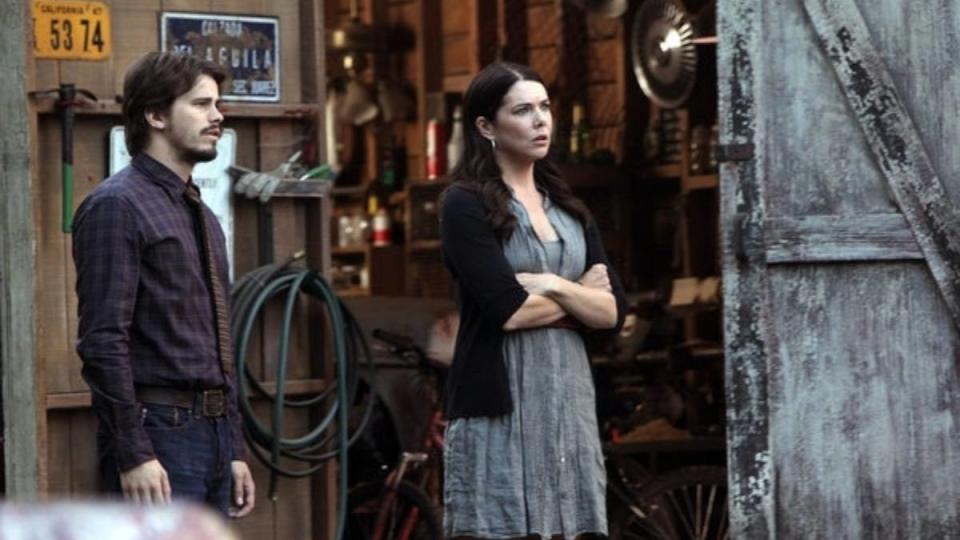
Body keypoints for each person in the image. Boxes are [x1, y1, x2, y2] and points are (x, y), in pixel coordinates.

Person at [440, 62, 627, 539]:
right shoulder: (464, 203)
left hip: (568, 401)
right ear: (486, 126)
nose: (540, 120)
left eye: (544, 107)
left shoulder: (569, 207)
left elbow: (612, 313)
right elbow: (510, 311)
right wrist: (581, 295)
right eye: (523, 110)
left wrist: (553, 285)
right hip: (499, 403)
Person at [72, 51, 255, 517]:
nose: (217, 116)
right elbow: (102, 341)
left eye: (217, 103)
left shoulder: (201, 214)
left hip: (211, 435)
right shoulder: (117, 206)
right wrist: (135, 453)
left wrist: (233, 446)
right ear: (154, 115)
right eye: (200, 104)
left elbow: (218, 340)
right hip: (160, 434)